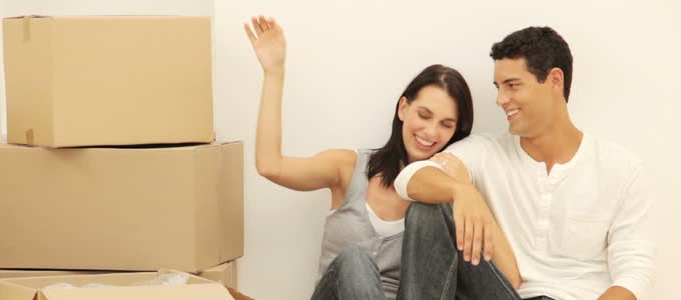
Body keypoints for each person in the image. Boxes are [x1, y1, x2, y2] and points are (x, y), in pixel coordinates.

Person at [243, 15, 521, 300]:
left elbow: (508, 279)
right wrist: (274, 72)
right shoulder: (349, 168)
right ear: (403, 109)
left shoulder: (445, 200)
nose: (430, 131)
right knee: (354, 260)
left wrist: (465, 190)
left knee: (427, 214)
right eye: (424, 115)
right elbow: (270, 166)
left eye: (445, 124)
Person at [394, 26, 656, 300]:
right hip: (505, 294)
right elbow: (411, 178)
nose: (500, 100)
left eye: (512, 85)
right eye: (498, 87)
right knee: (428, 208)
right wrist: (462, 191)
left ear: (555, 80)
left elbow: (635, 271)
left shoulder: (621, 167)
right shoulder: (486, 151)